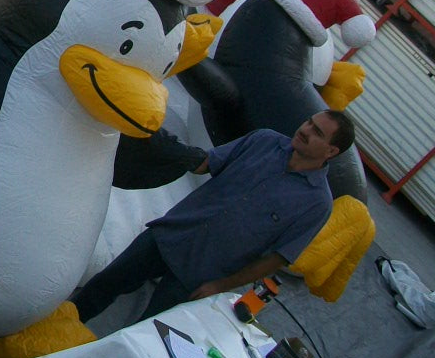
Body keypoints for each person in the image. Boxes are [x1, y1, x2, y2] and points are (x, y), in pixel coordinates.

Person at [72, 109, 356, 325]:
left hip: (201, 275)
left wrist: (219, 286)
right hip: (170, 236)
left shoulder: (317, 204)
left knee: (142, 334)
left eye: (317, 132)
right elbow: (206, 163)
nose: (305, 130)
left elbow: (276, 259)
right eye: (309, 122)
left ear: (331, 151)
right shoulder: (264, 140)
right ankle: (49, 335)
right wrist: (154, 139)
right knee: (101, 287)